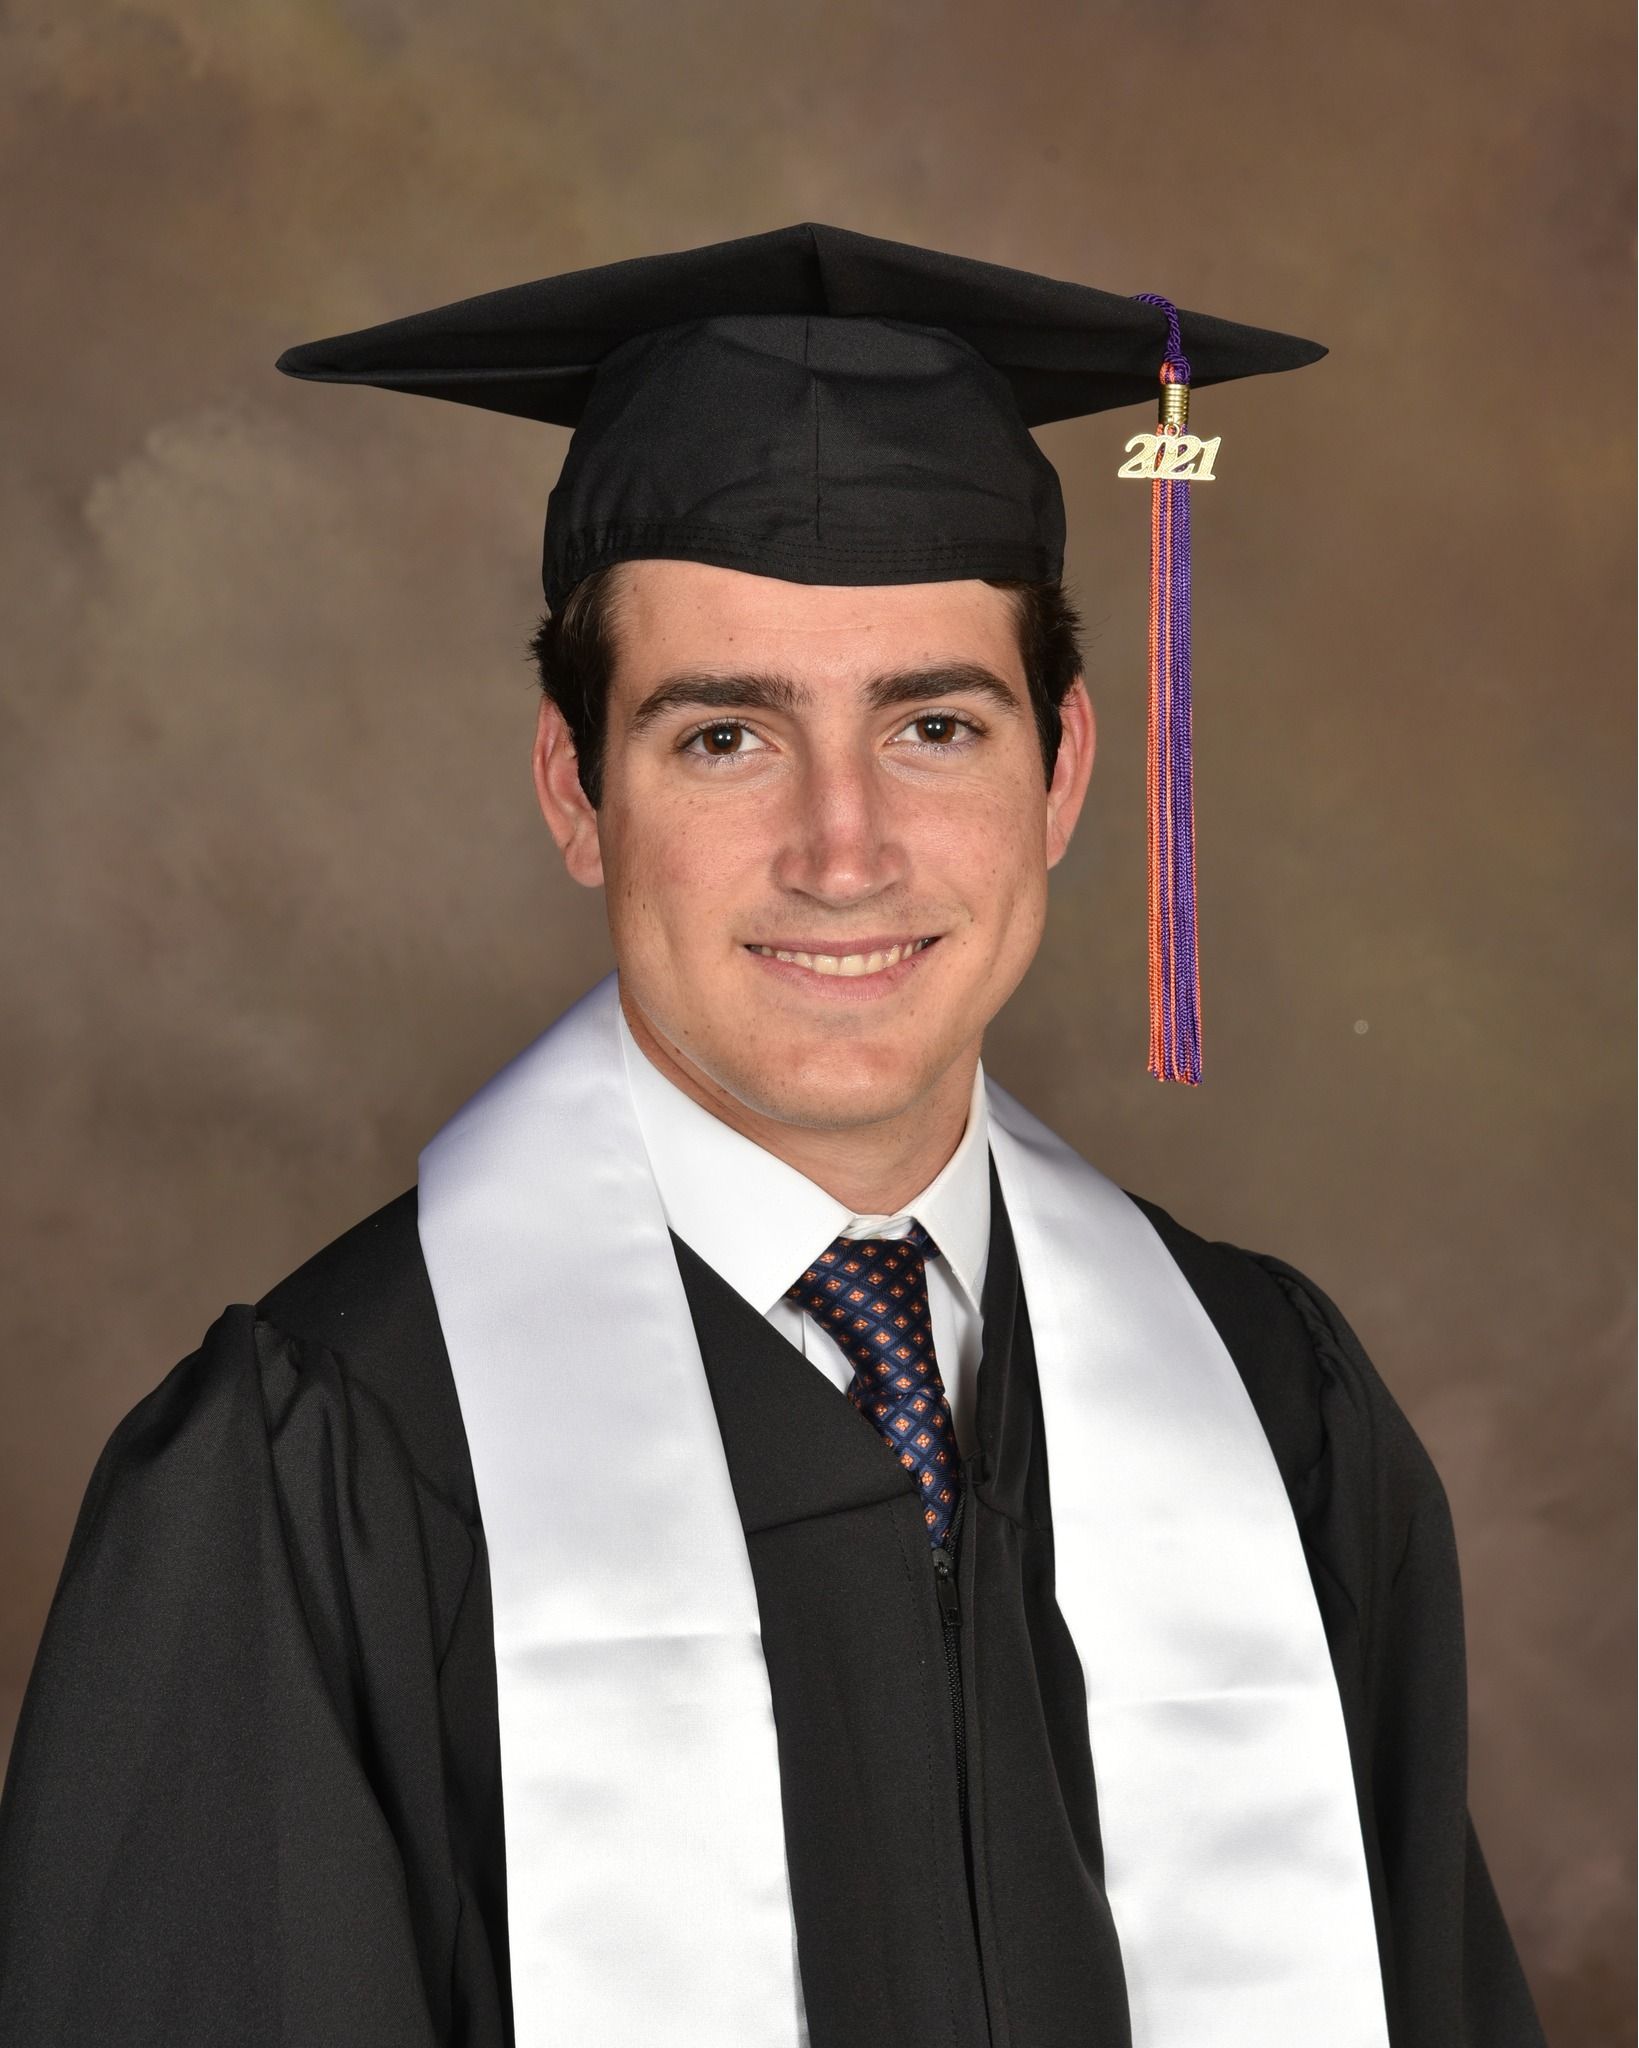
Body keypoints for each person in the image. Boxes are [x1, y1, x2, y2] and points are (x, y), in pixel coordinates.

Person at [0, 224, 1544, 2048]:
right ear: (579, 790)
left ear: (1063, 772)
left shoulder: (1278, 1410)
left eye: (935, 727)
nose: (843, 850)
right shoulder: (319, 1478)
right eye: (725, 735)